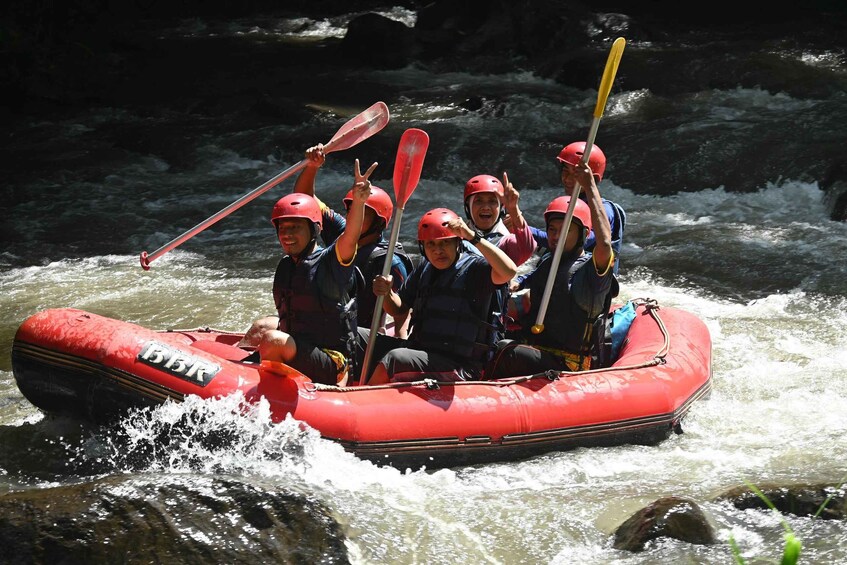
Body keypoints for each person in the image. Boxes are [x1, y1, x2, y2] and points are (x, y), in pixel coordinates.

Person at [239, 159, 377, 386]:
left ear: (314, 230)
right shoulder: (287, 265)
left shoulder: (332, 261)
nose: (287, 234)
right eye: (283, 228)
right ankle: (238, 371)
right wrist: (311, 167)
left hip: (332, 360)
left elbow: (350, 237)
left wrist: (360, 202)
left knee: (273, 339)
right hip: (302, 347)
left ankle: (271, 391)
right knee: (262, 327)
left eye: (295, 228)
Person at [489, 159, 618, 378]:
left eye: (565, 230)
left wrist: (589, 186)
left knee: (505, 352)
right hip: (537, 350)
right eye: (552, 230)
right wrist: (515, 283)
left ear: (584, 235)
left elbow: (605, 242)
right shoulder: (549, 260)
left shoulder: (593, 270)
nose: (556, 236)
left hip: (568, 363)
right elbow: (532, 278)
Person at [363, 208, 518, 385]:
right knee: (360, 337)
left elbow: (509, 271)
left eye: (444, 243)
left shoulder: (475, 269)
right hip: (423, 352)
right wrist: (387, 294)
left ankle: (361, 405)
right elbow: (398, 310)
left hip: (460, 366)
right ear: (423, 247)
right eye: (431, 244)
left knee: (395, 358)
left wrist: (473, 237)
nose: (438, 250)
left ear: (457, 243)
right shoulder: (424, 269)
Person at [295, 144, 414, 337]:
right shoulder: (341, 230)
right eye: (350, 209)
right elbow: (304, 200)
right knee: (263, 326)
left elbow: (403, 313)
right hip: (324, 323)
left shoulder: (390, 261)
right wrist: (312, 167)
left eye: (361, 211)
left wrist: (398, 351)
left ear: (377, 222)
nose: (353, 214)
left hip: (359, 337)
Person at [509, 141, 626, 275]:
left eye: (575, 174)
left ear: (591, 178)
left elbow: (578, 242)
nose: (567, 179)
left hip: (589, 284)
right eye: (565, 171)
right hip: (566, 276)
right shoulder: (571, 204)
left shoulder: (605, 210)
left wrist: (520, 226)